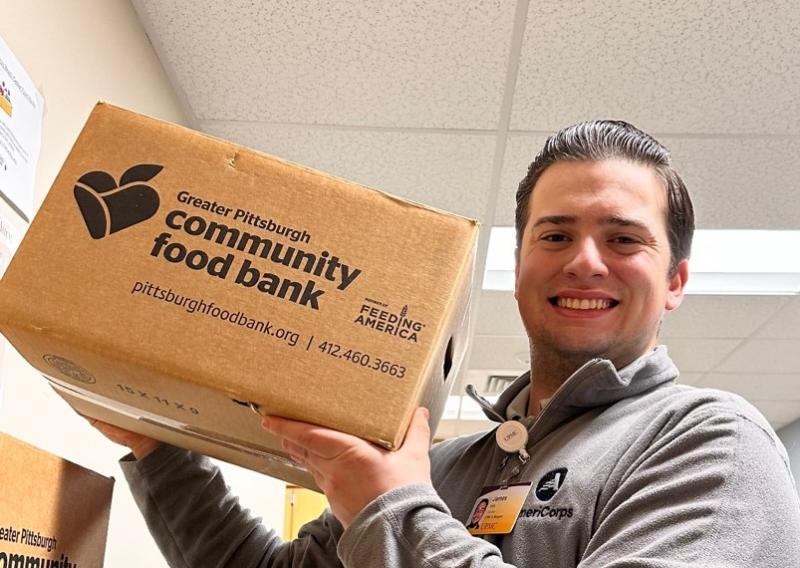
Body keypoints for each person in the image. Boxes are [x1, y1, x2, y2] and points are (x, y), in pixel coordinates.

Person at [91, 120, 800, 567]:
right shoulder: (438, 465)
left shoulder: (711, 442)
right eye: (555, 235)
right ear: (519, 269)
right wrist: (159, 450)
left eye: (623, 239)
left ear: (675, 281)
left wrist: (391, 509)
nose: (585, 261)